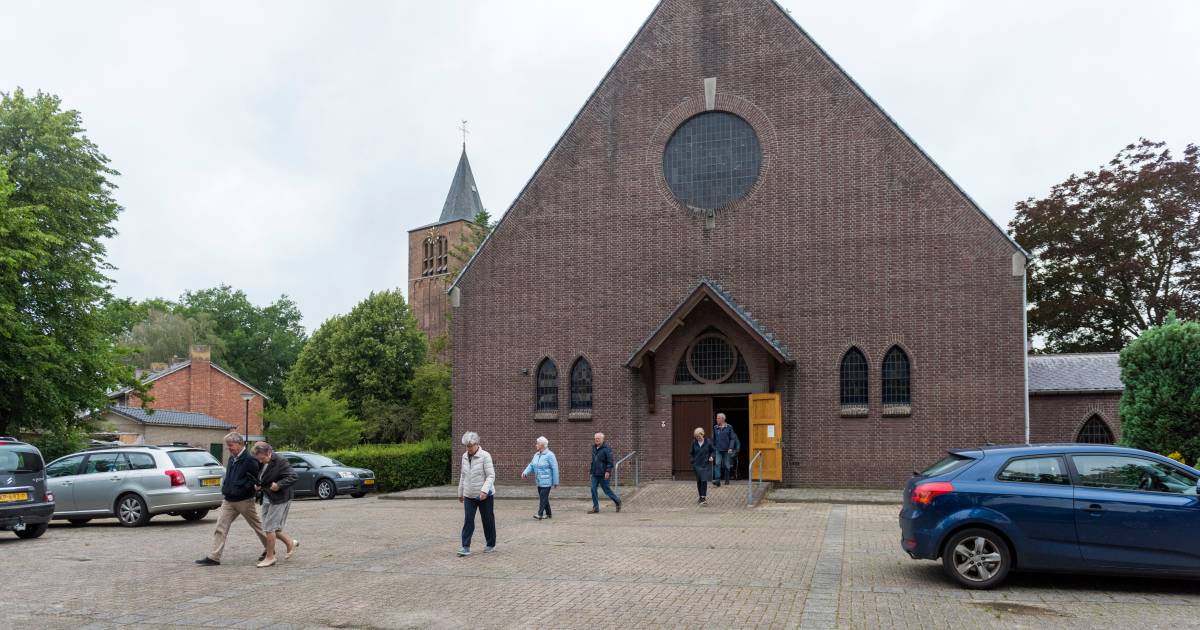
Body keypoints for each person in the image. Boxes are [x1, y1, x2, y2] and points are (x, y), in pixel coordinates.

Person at [195, 432, 268, 566]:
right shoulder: (231, 458)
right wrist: (227, 487)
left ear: (240, 444)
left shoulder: (250, 459)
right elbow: (229, 475)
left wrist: (243, 489)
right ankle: (214, 557)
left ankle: (270, 549)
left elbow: (255, 480)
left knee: (257, 526)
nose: (229, 448)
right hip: (228, 499)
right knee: (220, 527)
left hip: (244, 500)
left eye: (231, 445)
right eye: (227, 446)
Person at [251, 442, 298, 568]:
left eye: (262, 458)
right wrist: (259, 484)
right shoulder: (261, 461)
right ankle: (290, 542)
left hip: (280, 497)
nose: (261, 461)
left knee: (270, 527)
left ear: (269, 453)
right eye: (258, 459)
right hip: (267, 496)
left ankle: (270, 557)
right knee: (270, 526)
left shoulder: (281, 462)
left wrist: (279, 485)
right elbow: (263, 476)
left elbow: (293, 476)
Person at [457, 431, 496, 557]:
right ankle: (465, 547)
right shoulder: (464, 456)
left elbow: (491, 476)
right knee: (468, 520)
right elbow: (463, 475)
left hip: (485, 495)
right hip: (469, 494)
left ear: (477, 444)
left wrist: (484, 490)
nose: (468, 448)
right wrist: (460, 492)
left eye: (470, 446)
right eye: (466, 446)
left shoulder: (485, 456)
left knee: (487, 520)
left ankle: (490, 544)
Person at [521, 436, 560, 520]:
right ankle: (549, 514)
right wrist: (525, 472)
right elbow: (531, 465)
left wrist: (555, 482)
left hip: (547, 481)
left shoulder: (550, 455)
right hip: (539, 481)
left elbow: (555, 468)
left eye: (537, 443)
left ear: (542, 445)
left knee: (543, 497)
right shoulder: (536, 454)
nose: (536, 445)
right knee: (544, 498)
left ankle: (540, 514)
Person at [587, 432, 621, 514]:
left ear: (602, 439)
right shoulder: (594, 448)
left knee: (606, 490)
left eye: (598, 438)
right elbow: (593, 461)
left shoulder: (607, 449)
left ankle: (617, 501)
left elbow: (610, 461)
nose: (596, 440)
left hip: (604, 473)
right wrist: (591, 471)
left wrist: (608, 471)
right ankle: (596, 508)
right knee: (593, 489)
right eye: (595, 439)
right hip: (595, 473)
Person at [711, 413, 740, 487]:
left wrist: (730, 448)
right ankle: (717, 480)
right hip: (718, 449)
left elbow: (732, 438)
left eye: (718, 418)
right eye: (717, 418)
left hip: (727, 450)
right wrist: (713, 448)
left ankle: (727, 479)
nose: (716, 419)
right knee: (717, 464)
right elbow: (713, 439)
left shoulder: (729, 427)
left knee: (727, 465)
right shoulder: (715, 427)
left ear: (723, 419)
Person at [690, 428, 716, 505]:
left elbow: (713, 450)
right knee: (699, 481)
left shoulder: (708, 442)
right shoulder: (694, 442)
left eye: (699, 436)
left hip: (705, 464)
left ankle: (703, 497)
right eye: (696, 437)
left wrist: (711, 456)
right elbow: (691, 453)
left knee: (704, 480)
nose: (698, 438)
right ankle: (700, 497)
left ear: (702, 434)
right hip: (697, 465)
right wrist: (692, 460)